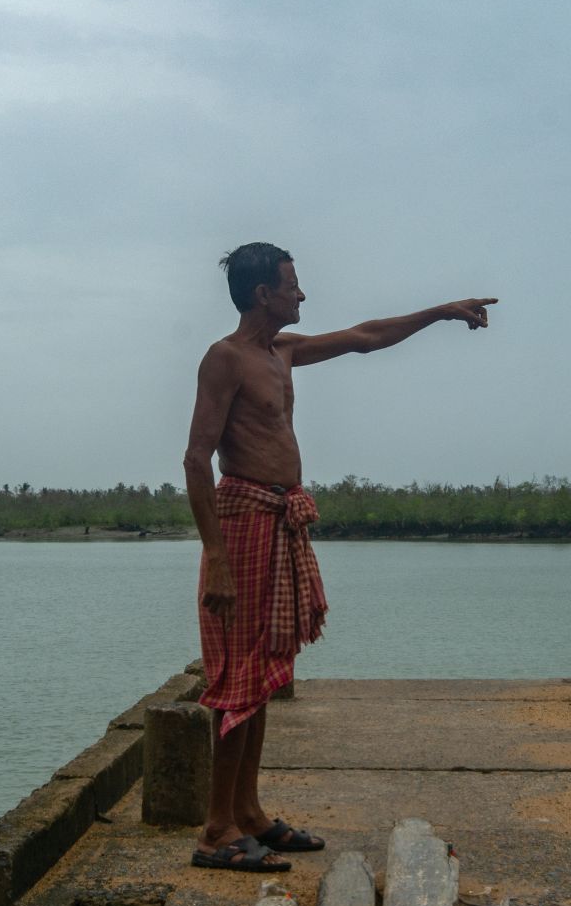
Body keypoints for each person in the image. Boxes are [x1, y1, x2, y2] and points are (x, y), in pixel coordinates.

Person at [182, 242, 496, 871]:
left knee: (265, 671)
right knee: (237, 681)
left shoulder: (283, 352)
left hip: (280, 518)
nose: (302, 295)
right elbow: (196, 458)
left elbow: (364, 336)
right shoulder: (226, 358)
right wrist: (214, 556)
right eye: (292, 286)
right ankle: (216, 831)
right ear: (263, 294)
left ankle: (250, 814)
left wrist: (440, 311)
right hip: (242, 522)